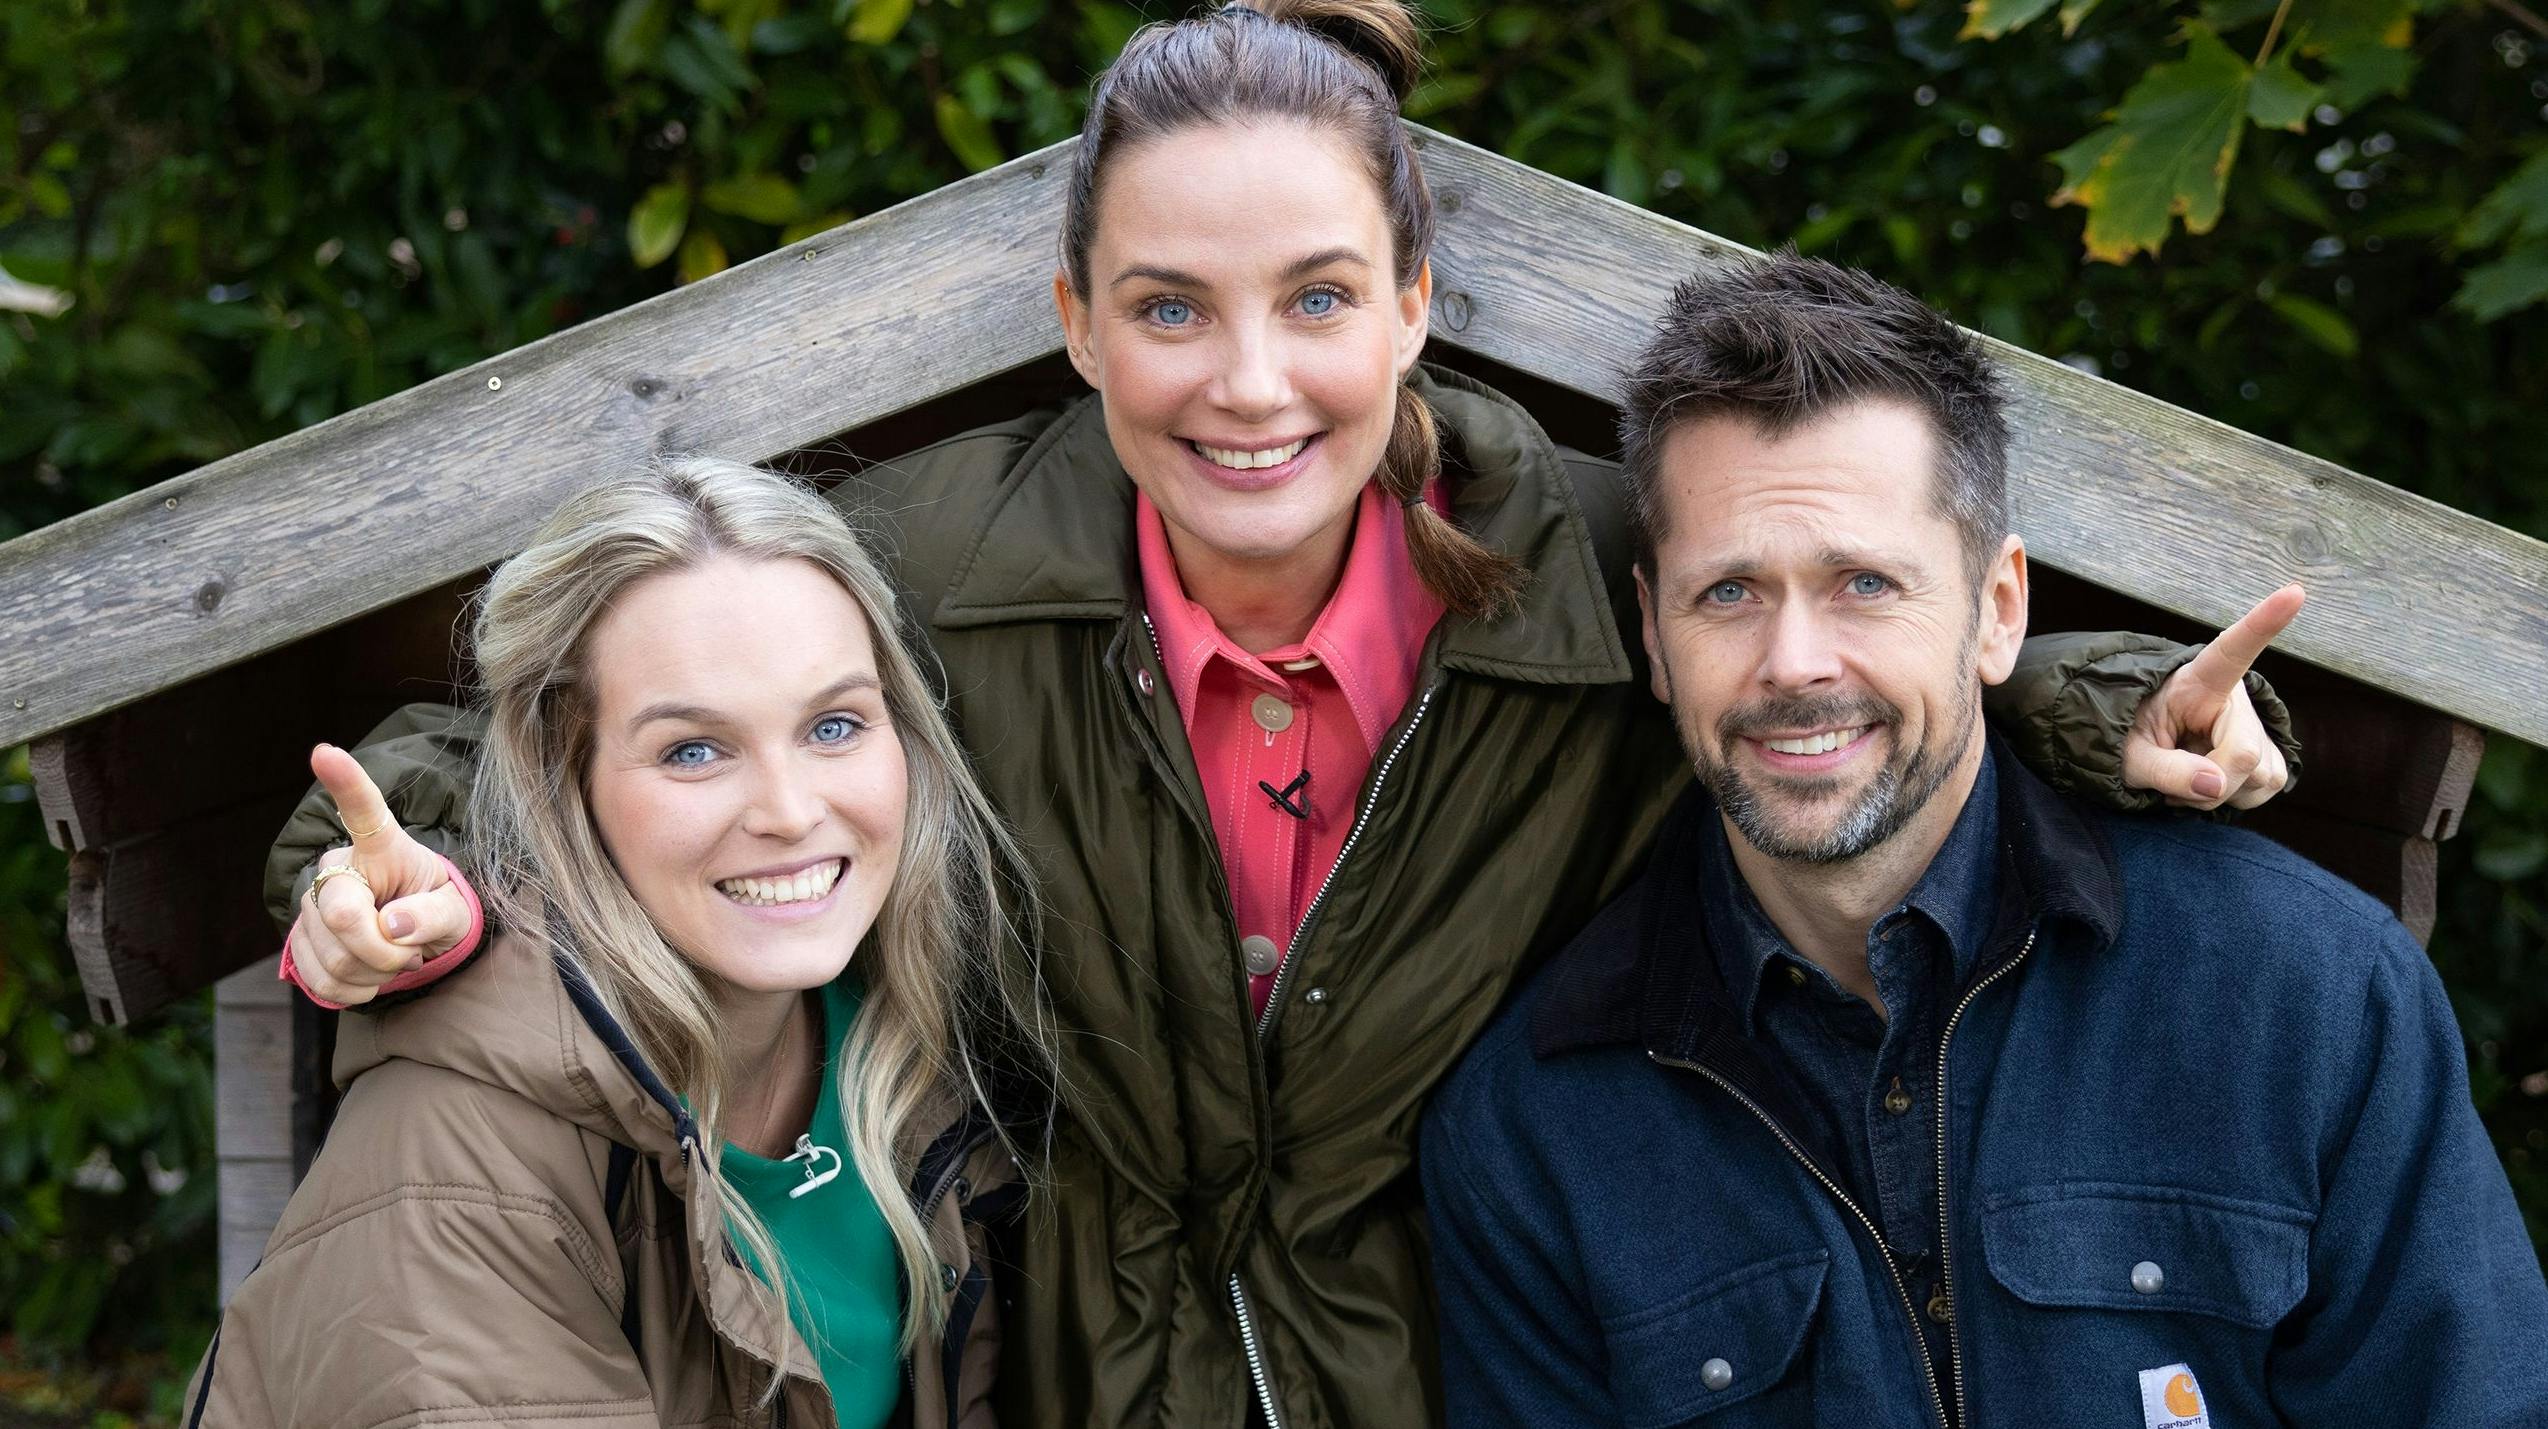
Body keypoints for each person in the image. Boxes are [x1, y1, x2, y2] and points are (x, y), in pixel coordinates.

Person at [256, 4, 2301, 1425]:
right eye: (1167, 309)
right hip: (1060, 1368)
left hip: (1450, 1362)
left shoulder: (1589, 566)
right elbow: (602, 709)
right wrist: (377, 883)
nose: (1247, 384)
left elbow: (1810, 640)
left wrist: (2086, 708)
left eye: (1316, 298)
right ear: (1073, 323)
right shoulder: (928, 575)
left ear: (1415, 297)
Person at [1420, 255, 2548, 1428]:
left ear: (1997, 609)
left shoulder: (2307, 992)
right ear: (1654, 634)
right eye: (1729, 595)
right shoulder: (1534, 1129)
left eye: (1863, 582)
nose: (1795, 662)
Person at [185, 461, 1053, 1429]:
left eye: (835, 724)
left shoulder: (909, 1041)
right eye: (693, 749)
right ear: (567, 769)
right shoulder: (455, 1162)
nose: (790, 810)